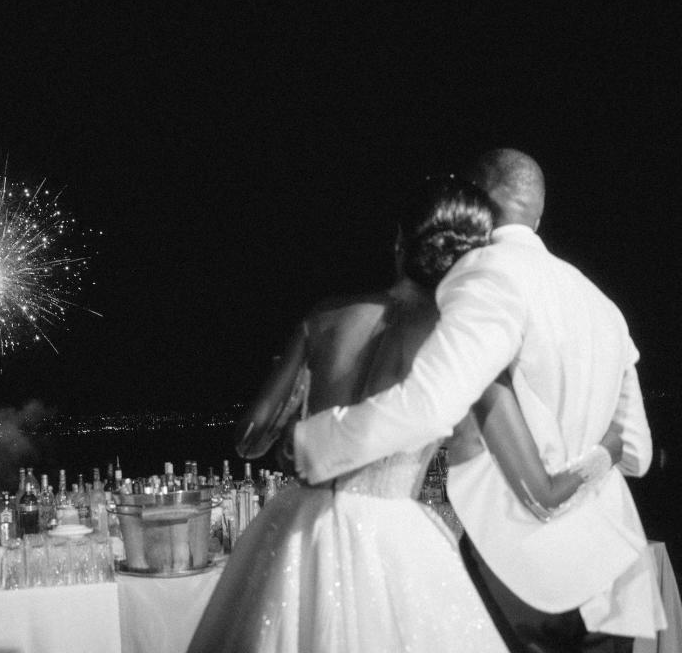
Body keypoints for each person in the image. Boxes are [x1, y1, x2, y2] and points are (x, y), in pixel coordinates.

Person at [190, 177, 592, 652]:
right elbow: (509, 473)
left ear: (400, 243)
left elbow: (249, 439)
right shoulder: (463, 342)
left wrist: (297, 425)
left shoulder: (326, 316)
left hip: (299, 528)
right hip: (394, 536)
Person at [294, 150, 665, 652]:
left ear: (473, 201)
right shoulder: (604, 306)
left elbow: (429, 405)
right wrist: (594, 457)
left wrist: (315, 442)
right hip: (616, 575)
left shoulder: (485, 274)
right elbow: (637, 451)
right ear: (536, 213)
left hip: (522, 574)